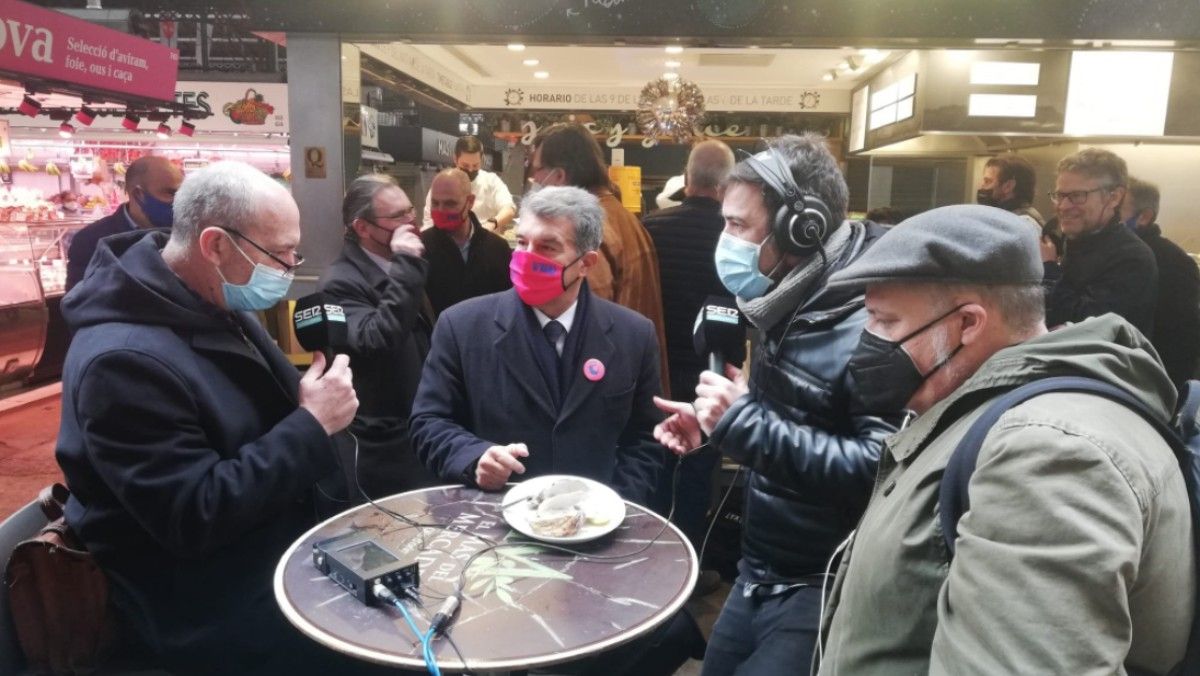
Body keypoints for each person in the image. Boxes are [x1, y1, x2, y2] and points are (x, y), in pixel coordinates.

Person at [816, 204, 1194, 675]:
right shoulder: (986, 411)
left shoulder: (1047, 454)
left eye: (886, 322)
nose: (867, 340)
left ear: (969, 323)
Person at [54, 161, 381, 674]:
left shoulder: (205, 298)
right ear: (216, 245)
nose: (292, 266)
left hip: (278, 553)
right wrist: (312, 424)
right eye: (281, 254)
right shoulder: (122, 362)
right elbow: (192, 515)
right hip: (203, 609)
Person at [652, 134, 899, 676]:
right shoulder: (785, 296)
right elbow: (795, 414)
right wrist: (719, 428)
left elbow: (883, 467)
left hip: (823, 580)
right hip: (759, 565)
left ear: (801, 227)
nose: (725, 239)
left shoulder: (873, 323)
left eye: (738, 225)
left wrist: (746, 422)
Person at [411, 184, 663, 503]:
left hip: (596, 523)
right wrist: (474, 457)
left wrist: (617, 502)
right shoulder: (461, 327)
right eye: (522, 241)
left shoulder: (633, 335)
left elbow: (646, 438)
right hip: (495, 522)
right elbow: (428, 422)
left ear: (586, 263)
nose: (526, 257)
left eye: (547, 247)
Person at [318, 174, 437, 498]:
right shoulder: (338, 283)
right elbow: (375, 339)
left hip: (417, 425)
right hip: (384, 445)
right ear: (363, 228)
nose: (409, 222)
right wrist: (407, 265)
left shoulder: (395, 265)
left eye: (410, 211)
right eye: (397, 217)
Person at [529, 122, 669, 393]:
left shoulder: (586, 230)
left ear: (558, 176)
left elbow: (584, 325)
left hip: (600, 387)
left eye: (537, 170)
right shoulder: (622, 217)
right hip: (630, 378)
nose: (534, 179)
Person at [642, 139, 734, 545]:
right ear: (726, 183)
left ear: (687, 176)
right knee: (698, 471)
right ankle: (692, 565)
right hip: (711, 374)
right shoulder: (735, 238)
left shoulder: (650, 228)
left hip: (654, 368)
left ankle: (646, 559)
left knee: (651, 463)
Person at [1043, 148, 1157, 336]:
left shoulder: (1131, 257)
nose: (1063, 206)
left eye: (1077, 196)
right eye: (1060, 196)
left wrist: (1050, 270)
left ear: (1114, 197)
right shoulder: (1076, 242)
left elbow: (1085, 327)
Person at [1121, 176, 1200, 391]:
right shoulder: (1110, 255)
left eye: (1118, 209)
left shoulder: (1174, 263)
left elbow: (1181, 339)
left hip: (1151, 384)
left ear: (1144, 217)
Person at [65, 155, 182, 291]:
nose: (179, 201)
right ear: (139, 195)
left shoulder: (184, 235)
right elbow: (78, 303)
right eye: (171, 193)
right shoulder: (91, 240)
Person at [419, 168, 513, 316]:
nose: (441, 210)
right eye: (435, 203)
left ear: (470, 202)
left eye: (450, 204)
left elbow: (508, 305)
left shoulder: (497, 248)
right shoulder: (419, 248)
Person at [422, 135, 516, 234]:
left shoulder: (491, 181)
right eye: (465, 165)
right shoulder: (441, 184)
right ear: (455, 159)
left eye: (475, 165)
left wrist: (491, 224)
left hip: (485, 242)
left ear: (482, 159)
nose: (470, 170)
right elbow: (429, 221)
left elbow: (509, 209)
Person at [976, 154, 1045, 230]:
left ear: (1008, 186)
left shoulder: (1022, 224)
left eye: (987, 181)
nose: (981, 186)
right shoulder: (1009, 218)